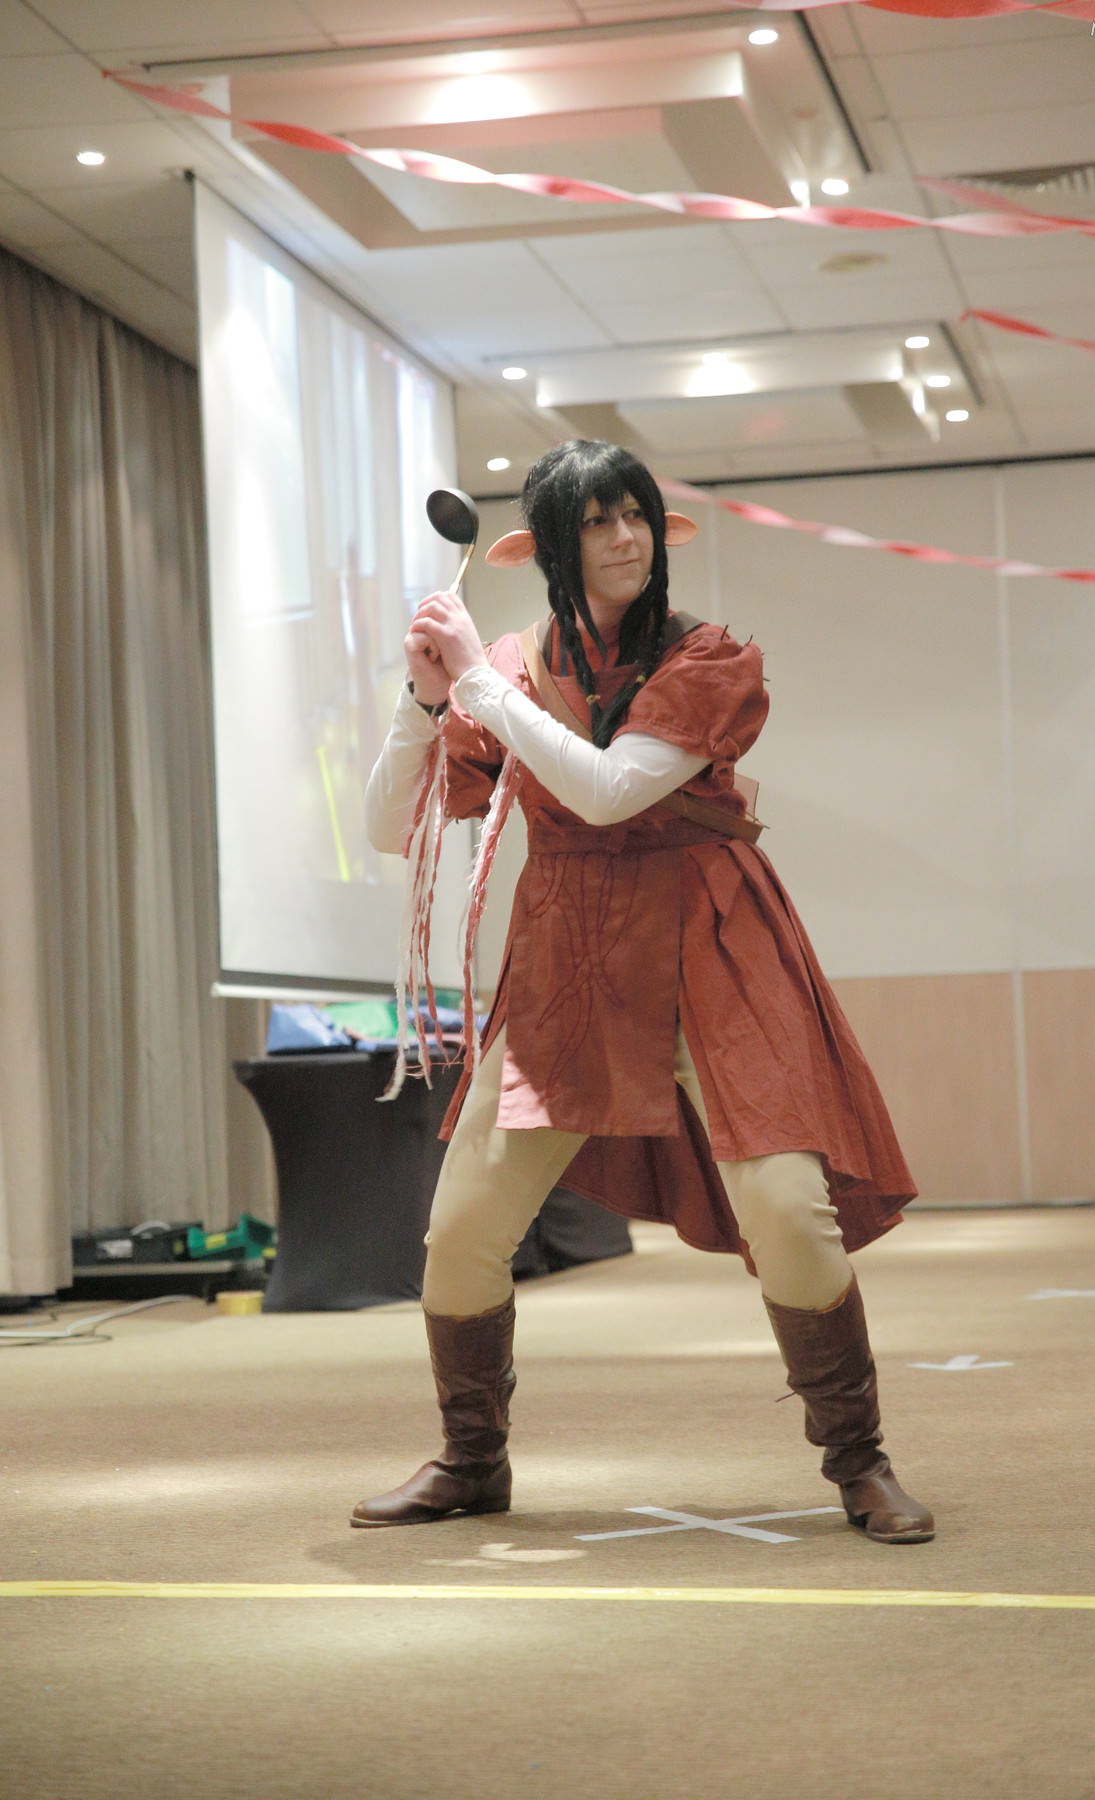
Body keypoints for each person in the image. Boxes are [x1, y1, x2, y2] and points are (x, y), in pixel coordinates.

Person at [354, 440, 934, 1545]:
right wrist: (422, 702)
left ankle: (861, 1461)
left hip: (712, 940)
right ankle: (471, 1461)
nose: (625, 539)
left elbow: (612, 791)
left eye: (636, 516)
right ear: (550, 547)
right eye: (596, 522)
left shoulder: (704, 655)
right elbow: (393, 828)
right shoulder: (507, 667)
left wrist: (478, 684)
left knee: (787, 1207)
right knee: (462, 1227)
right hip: (570, 953)